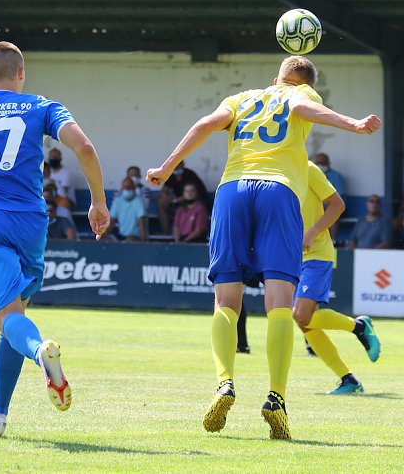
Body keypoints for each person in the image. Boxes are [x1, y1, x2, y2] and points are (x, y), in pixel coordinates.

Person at [146, 55, 381, 440]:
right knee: (280, 304)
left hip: (232, 190)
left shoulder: (243, 97)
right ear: (305, 83)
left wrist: (168, 167)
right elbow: (303, 107)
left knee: (225, 302)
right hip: (278, 192)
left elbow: (206, 124)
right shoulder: (302, 95)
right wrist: (353, 124)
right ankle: (276, 398)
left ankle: (224, 383)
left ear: (274, 79)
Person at [0, 41, 110, 437]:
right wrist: (97, 202)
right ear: (22, 73)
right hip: (30, 220)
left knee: (9, 319)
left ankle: (40, 352)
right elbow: (85, 147)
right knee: (14, 314)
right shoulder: (42, 106)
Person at [294, 161, 380, 395]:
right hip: (289, 257)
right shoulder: (270, 173)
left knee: (301, 315)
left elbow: (337, 205)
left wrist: (312, 232)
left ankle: (359, 327)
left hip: (316, 254)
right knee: (304, 322)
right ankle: (348, 379)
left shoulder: (307, 168)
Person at [157, 159, 208, 235]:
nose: (176, 168)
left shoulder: (190, 175)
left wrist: (175, 200)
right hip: (178, 203)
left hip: (194, 202)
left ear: (182, 165)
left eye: (178, 166)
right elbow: (164, 191)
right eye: (174, 166)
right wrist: (167, 197)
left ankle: (186, 234)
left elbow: (191, 194)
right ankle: (165, 232)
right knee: (161, 203)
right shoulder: (171, 176)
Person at [314, 153, 346, 241]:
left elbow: (340, 197)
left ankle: (333, 241)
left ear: (328, 163)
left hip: (330, 205)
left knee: (332, 210)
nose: (321, 165)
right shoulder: (311, 175)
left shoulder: (336, 176)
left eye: (323, 163)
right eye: (319, 163)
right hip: (315, 206)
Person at [109, 177, 147, 241]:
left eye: (129, 187)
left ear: (134, 188)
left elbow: (142, 223)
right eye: (125, 187)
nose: (127, 189)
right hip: (119, 234)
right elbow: (111, 221)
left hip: (134, 236)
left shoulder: (139, 201)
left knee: (129, 240)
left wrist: (143, 242)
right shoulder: (118, 201)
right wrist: (102, 235)